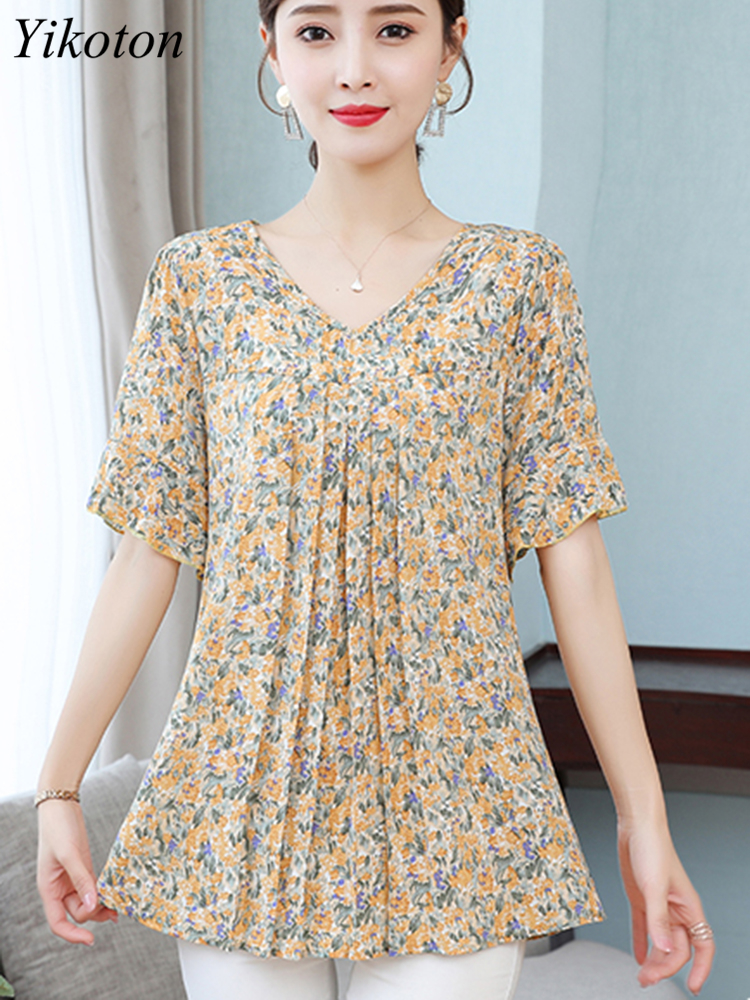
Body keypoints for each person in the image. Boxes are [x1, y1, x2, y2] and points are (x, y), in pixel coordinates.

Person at [36, 1, 715, 998]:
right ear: (273, 50)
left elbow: (579, 567)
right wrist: (58, 785)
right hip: (244, 794)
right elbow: (148, 550)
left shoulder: (518, 285)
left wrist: (643, 818)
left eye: (393, 29)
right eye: (317, 31)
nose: (354, 67)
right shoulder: (198, 284)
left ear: (451, 46)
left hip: (457, 799)